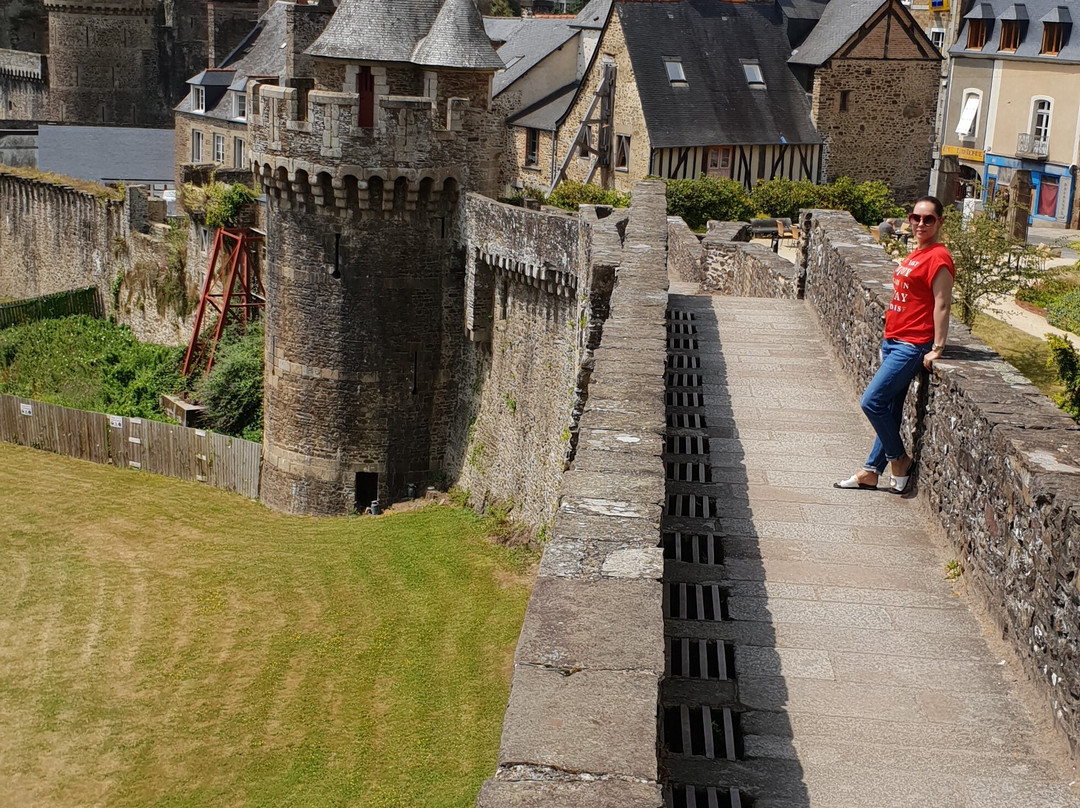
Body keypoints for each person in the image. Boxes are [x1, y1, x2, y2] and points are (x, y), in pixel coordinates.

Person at [836, 196, 955, 494]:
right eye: (916, 218)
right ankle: (871, 472)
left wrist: (937, 347)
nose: (920, 224)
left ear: (939, 222)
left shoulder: (939, 257)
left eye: (928, 219)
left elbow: (942, 304)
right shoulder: (918, 252)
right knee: (888, 406)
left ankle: (899, 459)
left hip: (913, 344)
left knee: (872, 401)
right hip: (894, 339)